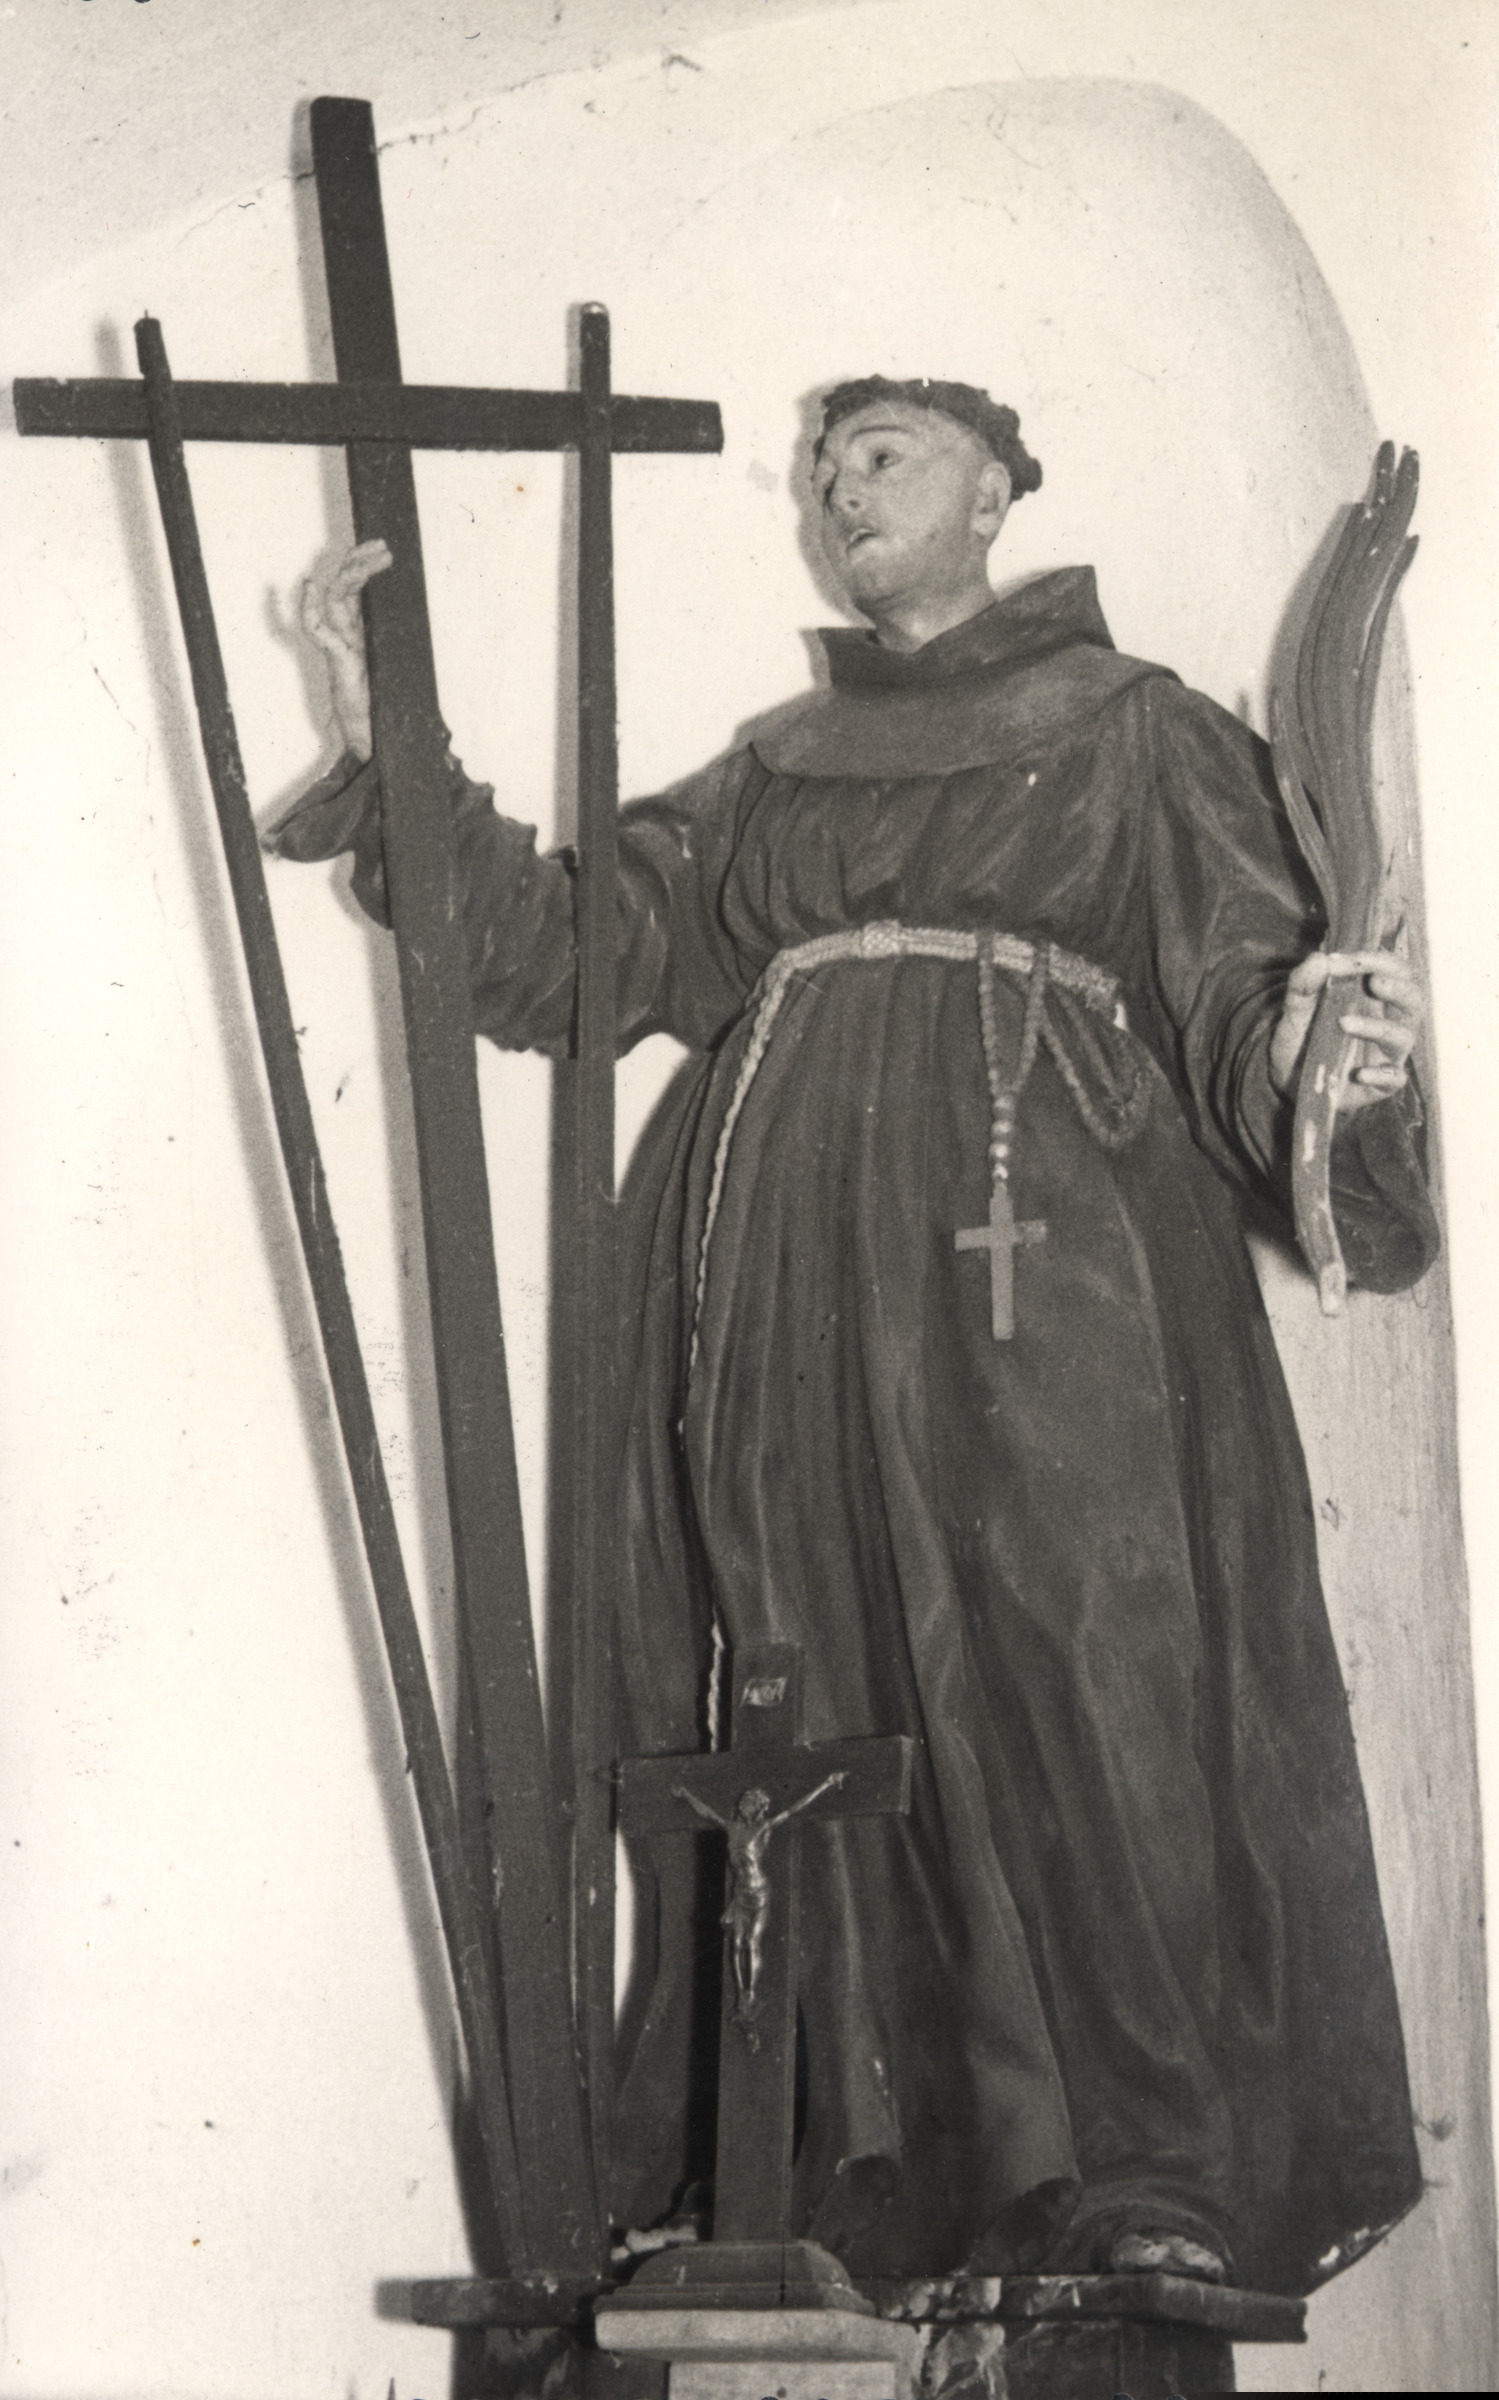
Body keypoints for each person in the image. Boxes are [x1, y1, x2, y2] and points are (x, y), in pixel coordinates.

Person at [270, 377, 1436, 2297]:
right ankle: (835, 2161)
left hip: (1047, 1271)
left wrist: (1326, 1059)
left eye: (880, 453)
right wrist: (383, 735)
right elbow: (569, 957)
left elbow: (1245, 1007)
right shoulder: (778, 769)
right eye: (821, 466)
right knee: (797, 1687)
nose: (835, 485)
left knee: (1087, 1669)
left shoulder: (1136, 731)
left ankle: (1142, 2161)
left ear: (996, 491)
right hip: (782, 1292)